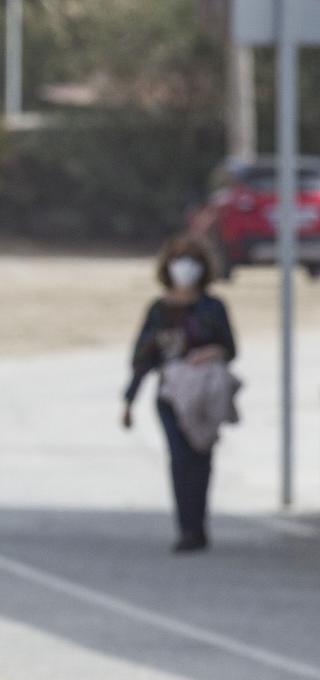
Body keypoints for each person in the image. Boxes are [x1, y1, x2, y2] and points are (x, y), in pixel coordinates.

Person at [124, 235, 238, 553]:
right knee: (179, 458)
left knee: (201, 457)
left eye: (191, 262)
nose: (184, 269)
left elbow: (230, 348)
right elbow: (143, 357)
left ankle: (199, 524)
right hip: (171, 393)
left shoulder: (213, 307)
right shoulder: (159, 310)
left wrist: (209, 353)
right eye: (179, 261)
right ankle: (186, 527)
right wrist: (128, 400)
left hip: (204, 393)